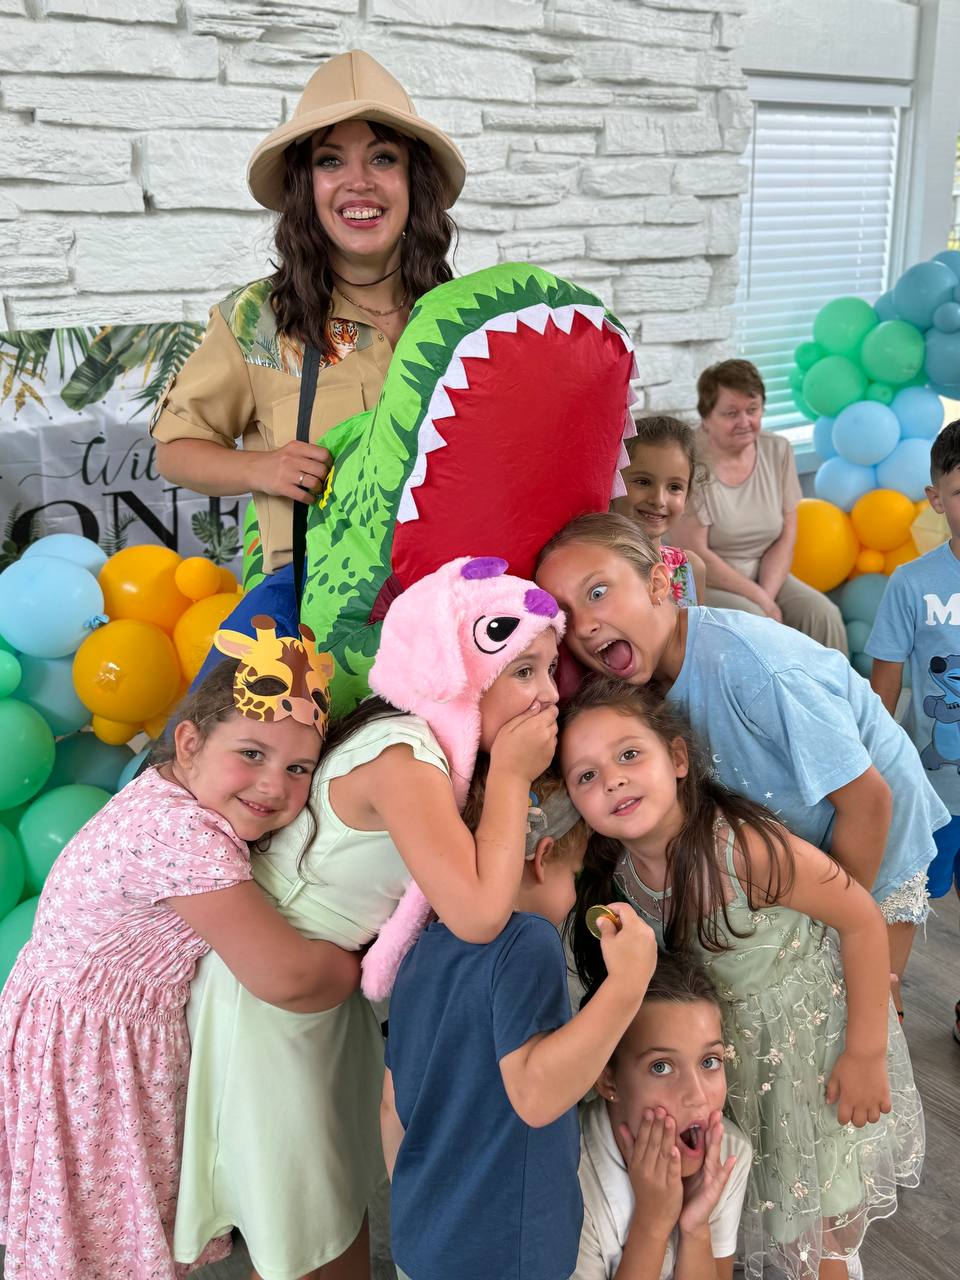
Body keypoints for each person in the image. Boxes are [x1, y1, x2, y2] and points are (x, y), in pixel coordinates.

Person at [174, 556, 563, 1280]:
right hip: (271, 1004)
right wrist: (510, 776)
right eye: (523, 669)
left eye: (549, 669)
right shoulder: (403, 755)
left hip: (316, 1002)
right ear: (455, 667)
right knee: (304, 1232)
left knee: (332, 1206)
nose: (547, 695)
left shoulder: (423, 749)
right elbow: (478, 914)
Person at [0, 635, 359, 1280]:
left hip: (73, 1024)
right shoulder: (183, 833)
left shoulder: (166, 797)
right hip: (96, 1052)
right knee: (104, 1239)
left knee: (94, 1226)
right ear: (190, 744)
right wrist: (361, 958)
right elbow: (289, 977)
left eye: (300, 769)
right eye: (251, 754)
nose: (274, 785)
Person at [560, 679, 924, 1280]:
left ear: (677, 759)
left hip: (810, 1047)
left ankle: (836, 1266)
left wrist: (864, 1054)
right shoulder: (620, 881)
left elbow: (860, 920)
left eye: (629, 755)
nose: (614, 780)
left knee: (825, 1204)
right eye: (587, 776)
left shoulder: (742, 849)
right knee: (770, 1192)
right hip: (728, 1056)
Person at [535, 512, 949, 1009]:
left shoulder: (754, 667)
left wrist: (830, 930)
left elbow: (869, 800)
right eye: (564, 614)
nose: (584, 624)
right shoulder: (639, 687)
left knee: (868, 999)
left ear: (658, 583)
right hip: (802, 847)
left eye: (598, 592)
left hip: (874, 838)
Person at [152, 49, 464, 581]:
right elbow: (176, 450)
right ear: (305, 187)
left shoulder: (460, 317)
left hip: (454, 593)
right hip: (312, 611)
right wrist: (263, 468)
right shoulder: (257, 320)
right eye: (330, 160)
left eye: (383, 157)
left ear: (415, 181)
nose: (358, 181)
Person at [380, 771, 657, 1280]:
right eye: (574, 876)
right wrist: (627, 985)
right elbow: (534, 1092)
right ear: (542, 856)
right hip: (504, 1253)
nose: (573, 899)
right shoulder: (527, 939)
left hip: (424, 1240)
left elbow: (392, 1108)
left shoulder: (422, 950)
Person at [574, 952, 751, 1280]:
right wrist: (651, 1226)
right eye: (661, 1066)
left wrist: (696, 1228)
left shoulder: (728, 1154)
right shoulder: (571, 1180)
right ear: (607, 1079)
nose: (698, 1096)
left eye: (709, 1061)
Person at [867, 418, 960, 1038]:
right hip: (932, 791)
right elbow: (885, 687)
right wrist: (875, 769)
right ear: (935, 499)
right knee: (905, 895)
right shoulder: (913, 584)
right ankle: (883, 1013)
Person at [672, 360, 847, 652]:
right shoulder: (687, 460)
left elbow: (786, 535)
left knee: (823, 614)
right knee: (755, 623)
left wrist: (766, 595)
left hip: (767, 574)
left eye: (752, 410)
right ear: (706, 416)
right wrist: (762, 603)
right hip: (703, 582)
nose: (744, 422)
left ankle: (839, 697)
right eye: (731, 413)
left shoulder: (777, 450)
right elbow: (695, 556)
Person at [612, 415, 706, 606]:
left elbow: (697, 634)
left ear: (687, 495)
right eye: (643, 482)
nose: (659, 500)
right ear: (614, 483)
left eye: (674, 487)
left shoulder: (690, 568)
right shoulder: (595, 568)